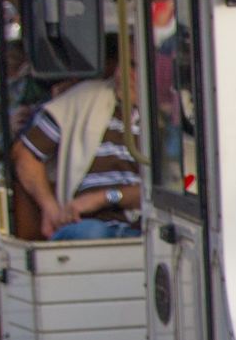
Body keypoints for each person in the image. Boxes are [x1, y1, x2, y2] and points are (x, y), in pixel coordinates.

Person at [11, 67, 142, 241]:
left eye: (137, 66)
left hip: (146, 228)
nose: (124, 74)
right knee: (93, 233)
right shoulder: (85, 97)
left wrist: (103, 198)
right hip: (87, 223)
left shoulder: (173, 116)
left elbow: (181, 184)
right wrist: (50, 208)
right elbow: (27, 154)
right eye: (127, 64)